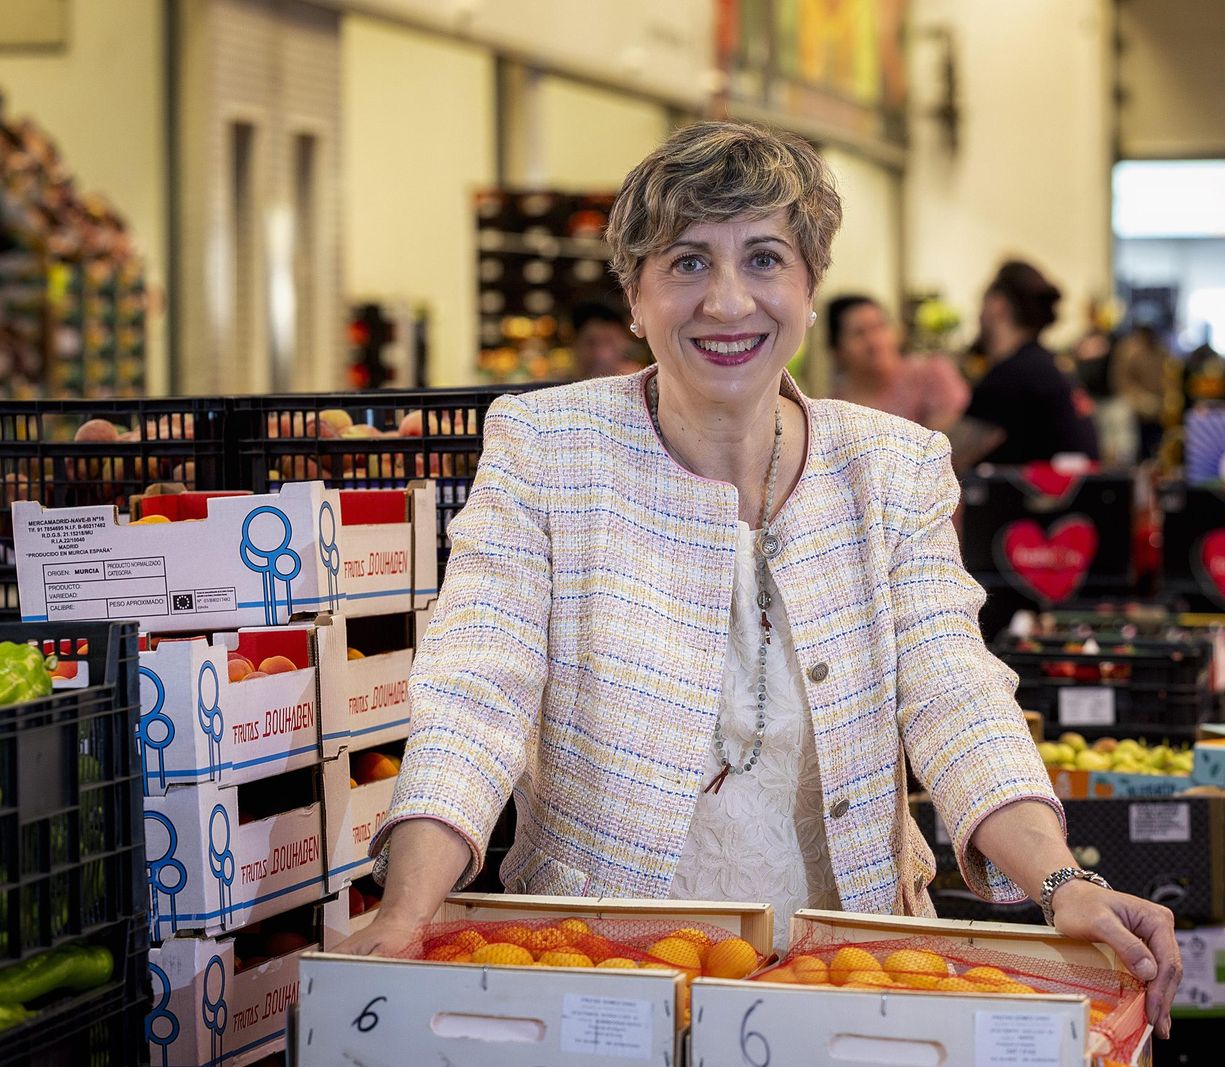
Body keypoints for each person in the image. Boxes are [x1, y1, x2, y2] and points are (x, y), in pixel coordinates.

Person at [335, 121, 1181, 1036]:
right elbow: (476, 692)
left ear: (810, 287)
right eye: (687, 262)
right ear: (635, 295)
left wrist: (1061, 881)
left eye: (765, 258)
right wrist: (408, 911)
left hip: (847, 977)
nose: (728, 301)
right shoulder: (546, 448)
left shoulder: (893, 467)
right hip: (603, 975)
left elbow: (954, 693)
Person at [954, 260, 1099, 467]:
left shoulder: (1012, 376)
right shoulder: (1044, 366)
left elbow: (946, 459)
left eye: (982, 303)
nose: (978, 315)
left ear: (998, 306)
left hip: (1045, 489)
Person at [827, 293, 971, 431]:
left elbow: (951, 435)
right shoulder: (834, 410)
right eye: (859, 333)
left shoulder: (931, 375)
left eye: (879, 327)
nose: (874, 342)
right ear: (836, 350)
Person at [1110, 325, 1173, 460]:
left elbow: (1168, 378)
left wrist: (1164, 399)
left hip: (1160, 409)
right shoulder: (1128, 350)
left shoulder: (1162, 351)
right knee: (1134, 447)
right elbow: (1122, 380)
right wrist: (1141, 400)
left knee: (1159, 445)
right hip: (1135, 408)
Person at [570, 300, 643, 378]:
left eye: (610, 342)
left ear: (625, 343)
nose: (601, 355)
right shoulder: (564, 382)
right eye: (591, 343)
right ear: (575, 345)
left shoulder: (641, 380)